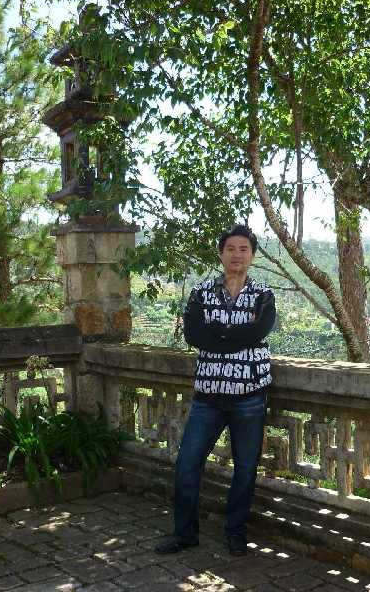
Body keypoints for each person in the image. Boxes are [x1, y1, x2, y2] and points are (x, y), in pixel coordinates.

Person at [154, 224, 276, 557]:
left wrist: (218, 335)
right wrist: (236, 334)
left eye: (244, 249)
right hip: (208, 396)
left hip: (249, 396)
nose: (237, 255)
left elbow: (259, 330)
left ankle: (235, 533)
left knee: (245, 469)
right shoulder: (201, 292)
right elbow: (194, 334)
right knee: (187, 463)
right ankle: (185, 534)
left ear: (252, 255)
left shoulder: (263, 294)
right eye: (231, 248)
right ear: (221, 254)